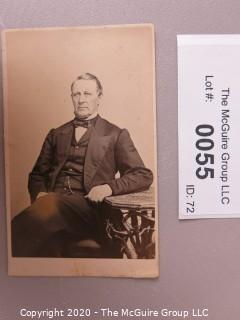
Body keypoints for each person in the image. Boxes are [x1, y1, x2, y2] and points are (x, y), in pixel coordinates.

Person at [11, 73, 153, 257]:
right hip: (52, 209)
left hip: (91, 211)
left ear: (99, 97)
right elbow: (38, 174)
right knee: (45, 227)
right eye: (76, 94)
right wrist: (39, 194)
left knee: (50, 203)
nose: (82, 100)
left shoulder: (115, 134)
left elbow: (143, 175)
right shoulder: (57, 134)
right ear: (71, 97)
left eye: (87, 94)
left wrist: (108, 188)